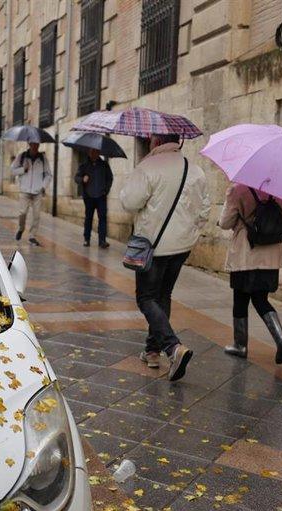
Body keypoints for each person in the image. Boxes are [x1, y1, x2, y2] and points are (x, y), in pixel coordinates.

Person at [120, 134, 210, 381]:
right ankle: (152, 350)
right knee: (162, 296)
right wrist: (189, 232)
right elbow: (204, 210)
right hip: (181, 247)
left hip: (153, 245)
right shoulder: (195, 170)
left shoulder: (148, 166)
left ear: (156, 140)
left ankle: (173, 347)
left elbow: (129, 202)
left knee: (146, 298)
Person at [218, 183, 282, 363]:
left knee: (240, 298)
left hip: (246, 253)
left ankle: (240, 345)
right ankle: (281, 339)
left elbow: (225, 222)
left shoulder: (238, 190)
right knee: (261, 299)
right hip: (271, 255)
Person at [11, 142, 52, 246]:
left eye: (37, 144)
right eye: (33, 144)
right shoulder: (22, 156)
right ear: (30, 144)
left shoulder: (42, 158)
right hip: (24, 190)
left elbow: (48, 174)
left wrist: (43, 186)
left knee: (36, 215)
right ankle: (21, 228)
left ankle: (32, 236)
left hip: (37, 192)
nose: (35, 146)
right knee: (22, 213)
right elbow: (12, 170)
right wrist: (23, 169)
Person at [74, 148, 113, 248]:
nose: (93, 153)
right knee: (88, 218)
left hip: (101, 196)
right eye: (91, 151)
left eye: (95, 151)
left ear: (98, 153)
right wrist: (82, 179)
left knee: (102, 218)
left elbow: (110, 178)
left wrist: (106, 191)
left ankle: (102, 240)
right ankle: (87, 239)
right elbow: (76, 178)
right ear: (89, 152)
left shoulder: (104, 165)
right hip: (89, 196)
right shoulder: (84, 165)